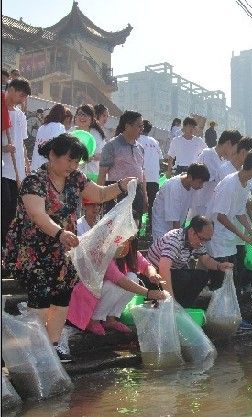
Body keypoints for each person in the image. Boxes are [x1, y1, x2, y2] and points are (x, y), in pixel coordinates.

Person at [2, 133, 136, 362]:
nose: (72, 166)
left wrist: (122, 186)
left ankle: (52, 345)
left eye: (76, 162)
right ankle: (37, 344)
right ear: (53, 155)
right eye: (69, 160)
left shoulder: (76, 178)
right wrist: (60, 233)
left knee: (62, 297)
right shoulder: (34, 180)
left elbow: (100, 194)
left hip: (63, 249)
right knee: (42, 299)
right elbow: (38, 215)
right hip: (32, 250)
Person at [208, 150, 252, 310]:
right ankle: (220, 315)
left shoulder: (246, 183)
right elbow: (221, 216)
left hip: (229, 238)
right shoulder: (230, 184)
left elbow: (239, 211)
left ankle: (230, 314)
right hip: (218, 237)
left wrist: (250, 230)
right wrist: (242, 234)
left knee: (233, 279)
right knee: (221, 281)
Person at [67, 236, 166, 336]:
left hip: (106, 289)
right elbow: (119, 280)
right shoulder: (103, 253)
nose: (125, 244)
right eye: (122, 241)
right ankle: (94, 320)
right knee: (112, 286)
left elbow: (146, 266)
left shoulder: (130, 252)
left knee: (133, 277)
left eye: (128, 241)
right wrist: (148, 293)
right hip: (86, 295)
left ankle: (111, 319)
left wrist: (153, 274)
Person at [146, 216, 233, 304]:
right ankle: (172, 303)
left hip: (170, 273)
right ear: (192, 231)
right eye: (202, 238)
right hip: (152, 277)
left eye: (207, 240)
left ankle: (185, 304)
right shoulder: (174, 240)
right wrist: (170, 299)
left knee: (202, 276)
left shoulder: (196, 241)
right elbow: (163, 268)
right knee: (184, 277)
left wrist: (219, 266)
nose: (203, 243)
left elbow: (206, 259)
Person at [98, 111, 148, 220]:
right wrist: (98, 199)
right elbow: (102, 174)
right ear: (127, 126)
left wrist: (145, 196)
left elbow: (142, 173)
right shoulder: (112, 145)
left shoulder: (140, 148)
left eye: (142, 126)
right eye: (139, 126)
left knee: (134, 230)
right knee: (116, 232)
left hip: (136, 192)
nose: (141, 129)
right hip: (117, 193)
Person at [2, 78, 31, 247]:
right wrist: (4, 149)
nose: (23, 99)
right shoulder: (1, 108)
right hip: (3, 170)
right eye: (21, 94)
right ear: (11, 89)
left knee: (13, 212)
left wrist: (26, 166)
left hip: (17, 172)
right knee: (4, 209)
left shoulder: (20, 115)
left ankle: (7, 250)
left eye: (25, 96)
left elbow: (22, 144)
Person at [151, 163, 210, 241]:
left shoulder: (192, 185)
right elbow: (175, 220)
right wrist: (179, 242)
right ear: (190, 177)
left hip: (177, 225)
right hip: (162, 227)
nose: (201, 186)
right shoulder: (174, 187)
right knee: (165, 248)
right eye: (200, 182)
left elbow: (192, 212)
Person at [191, 129, 242, 217]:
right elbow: (209, 178)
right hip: (202, 204)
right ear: (229, 143)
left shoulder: (222, 160)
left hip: (211, 205)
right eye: (235, 149)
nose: (235, 153)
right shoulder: (208, 154)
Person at [138, 120, 164, 225]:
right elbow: (161, 160)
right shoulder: (154, 141)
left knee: (138, 204)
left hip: (140, 177)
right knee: (152, 206)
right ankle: (150, 231)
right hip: (154, 178)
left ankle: (137, 231)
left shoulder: (137, 139)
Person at [73, 104, 106, 181]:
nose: (82, 117)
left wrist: (92, 157)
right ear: (75, 117)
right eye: (80, 114)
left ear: (91, 119)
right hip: (72, 173)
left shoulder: (97, 134)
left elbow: (104, 155)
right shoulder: (70, 132)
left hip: (92, 175)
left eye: (85, 115)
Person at [30, 104, 67, 171]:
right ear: (62, 115)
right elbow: (58, 148)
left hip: (35, 165)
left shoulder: (42, 127)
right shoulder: (60, 127)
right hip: (47, 168)